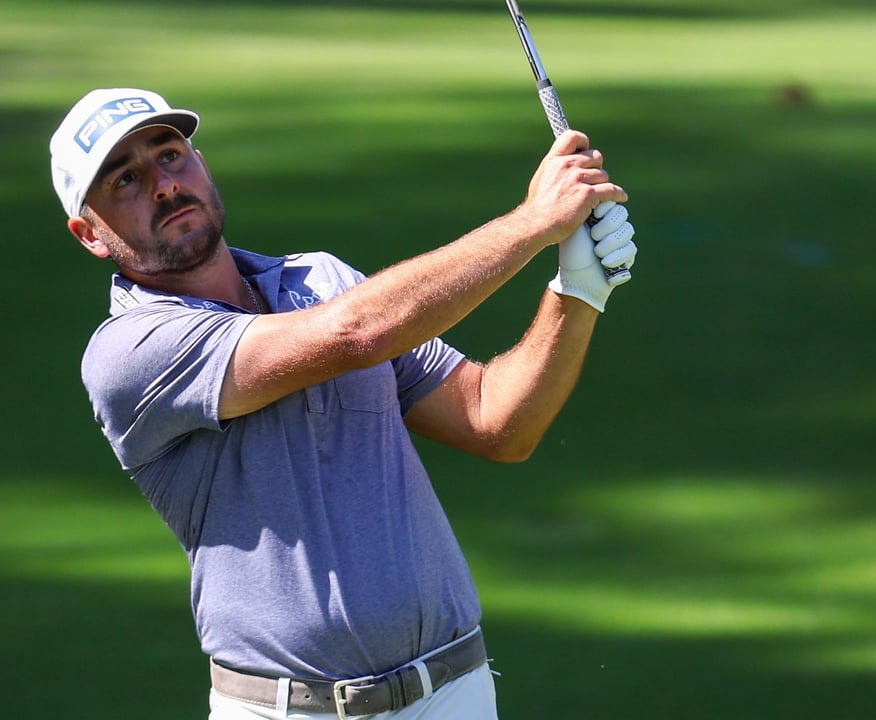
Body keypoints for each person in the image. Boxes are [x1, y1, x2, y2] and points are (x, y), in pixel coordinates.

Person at [49, 87, 636, 719]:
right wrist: (532, 221)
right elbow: (356, 335)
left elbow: (497, 421)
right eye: (125, 181)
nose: (163, 185)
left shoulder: (321, 282)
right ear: (90, 234)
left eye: (170, 156)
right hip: (289, 710)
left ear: (201, 164)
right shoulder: (130, 352)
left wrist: (577, 291)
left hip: (454, 691)